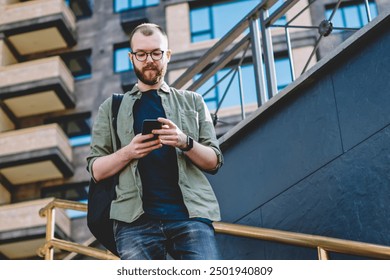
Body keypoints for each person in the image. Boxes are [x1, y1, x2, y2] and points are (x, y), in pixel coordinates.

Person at [87, 23, 223, 260]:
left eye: (156, 52)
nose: (148, 59)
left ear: (167, 55)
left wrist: (184, 141)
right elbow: (96, 170)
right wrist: (128, 152)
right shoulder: (111, 107)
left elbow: (214, 161)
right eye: (141, 54)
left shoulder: (193, 102)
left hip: (190, 217)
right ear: (131, 57)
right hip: (133, 223)